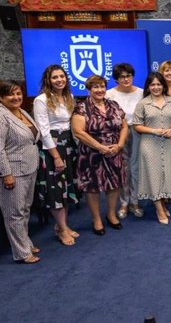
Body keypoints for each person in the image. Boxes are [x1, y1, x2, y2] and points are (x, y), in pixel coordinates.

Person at [0, 81, 41, 263]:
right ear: (1, 98)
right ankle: (22, 253)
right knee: (14, 214)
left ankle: (25, 242)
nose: (16, 97)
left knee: (24, 210)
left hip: (28, 167)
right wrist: (6, 175)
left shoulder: (21, 111)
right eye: (11, 94)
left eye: (18, 93)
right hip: (10, 173)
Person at [71, 76, 128, 235]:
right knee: (92, 187)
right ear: (88, 89)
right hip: (91, 154)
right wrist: (100, 147)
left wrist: (120, 145)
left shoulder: (114, 105)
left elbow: (124, 126)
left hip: (114, 151)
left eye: (102, 86)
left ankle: (111, 214)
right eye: (95, 87)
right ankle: (96, 219)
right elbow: (79, 132)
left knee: (114, 184)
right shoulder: (81, 107)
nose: (99, 90)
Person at [33, 65, 79, 246]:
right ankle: (61, 229)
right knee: (55, 189)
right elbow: (43, 131)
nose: (59, 80)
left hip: (68, 144)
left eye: (62, 76)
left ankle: (63, 226)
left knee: (66, 186)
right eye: (55, 77)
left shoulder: (69, 97)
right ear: (48, 80)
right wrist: (56, 156)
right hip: (52, 147)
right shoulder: (41, 100)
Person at [133, 72, 171, 224]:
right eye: (153, 84)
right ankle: (159, 209)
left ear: (163, 85)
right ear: (148, 87)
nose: (156, 87)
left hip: (168, 144)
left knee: (165, 175)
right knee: (154, 176)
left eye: (159, 84)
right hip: (149, 145)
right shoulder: (143, 103)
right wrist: (153, 130)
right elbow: (136, 125)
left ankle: (162, 202)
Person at [106, 63, 145, 219]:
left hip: (138, 132)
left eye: (128, 75)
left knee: (135, 168)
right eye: (122, 76)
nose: (126, 79)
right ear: (116, 79)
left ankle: (135, 201)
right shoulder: (109, 94)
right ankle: (124, 202)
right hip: (118, 134)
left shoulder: (142, 93)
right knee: (123, 169)